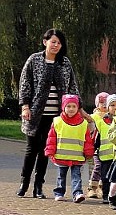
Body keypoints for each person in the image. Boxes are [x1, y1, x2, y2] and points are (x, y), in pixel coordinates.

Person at [17, 28, 85, 199]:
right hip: (34, 113)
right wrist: (25, 106)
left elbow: (72, 86)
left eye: (59, 43)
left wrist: (79, 108)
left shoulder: (65, 63)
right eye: (53, 41)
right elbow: (24, 84)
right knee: (31, 148)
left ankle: (39, 185)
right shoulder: (34, 60)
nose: (56, 45)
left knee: (45, 150)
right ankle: (24, 183)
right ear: (45, 42)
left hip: (56, 115)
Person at [44, 94, 94, 203]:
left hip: (77, 156)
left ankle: (77, 193)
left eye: (74, 106)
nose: (71, 109)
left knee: (77, 176)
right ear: (63, 107)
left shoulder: (83, 123)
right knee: (61, 176)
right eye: (68, 106)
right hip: (61, 155)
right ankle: (59, 193)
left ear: (78, 108)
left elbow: (87, 139)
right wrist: (50, 150)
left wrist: (89, 151)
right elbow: (52, 137)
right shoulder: (57, 121)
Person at [95, 94, 116, 204]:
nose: (115, 108)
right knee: (105, 177)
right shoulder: (101, 122)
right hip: (105, 156)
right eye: (112, 105)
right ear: (107, 107)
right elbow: (97, 137)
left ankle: (115, 195)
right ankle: (106, 195)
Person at [86, 91, 110, 199]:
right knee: (97, 166)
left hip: (108, 147)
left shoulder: (111, 117)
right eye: (101, 103)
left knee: (107, 168)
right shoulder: (93, 117)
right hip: (96, 146)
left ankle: (102, 186)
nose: (104, 105)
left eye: (106, 103)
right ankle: (92, 188)